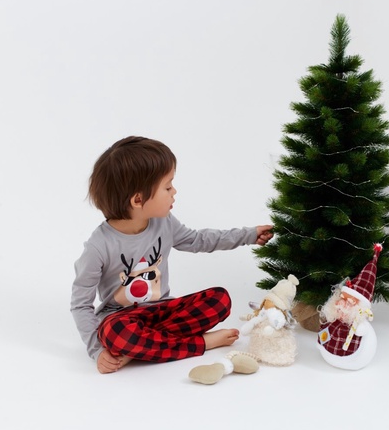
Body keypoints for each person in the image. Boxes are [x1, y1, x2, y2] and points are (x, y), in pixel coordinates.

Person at [70, 136, 274, 374]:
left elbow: (198, 240)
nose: (174, 192)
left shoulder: (164, 222)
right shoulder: (98, 246)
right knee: (116, 333)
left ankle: (137, 350)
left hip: (163, 312)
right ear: (138, 199)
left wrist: (248, 235)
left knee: (220, 299)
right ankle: (202, 343)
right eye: (167, 187)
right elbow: (81, 304)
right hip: (122, 320)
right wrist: (97, 350)